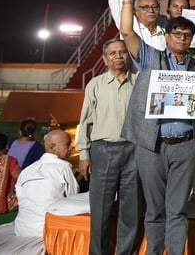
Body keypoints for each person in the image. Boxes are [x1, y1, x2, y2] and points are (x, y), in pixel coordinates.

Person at [118, 0, 195, 255]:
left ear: (191, 39)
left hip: (185, 146)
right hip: (152, 145)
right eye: (177, 34)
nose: (182, 39)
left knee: (177, 209)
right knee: (154, 209)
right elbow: (126, 30)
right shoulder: (150, 56)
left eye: (187, 35)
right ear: (167, 36)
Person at [76, 38, 140, 255]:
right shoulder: (95, 84)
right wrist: (84, 154)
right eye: (112, 53)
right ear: (105, 59)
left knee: (130, 209)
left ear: (128, 56)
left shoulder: (139, 82)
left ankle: (126, 252)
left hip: (133, 150)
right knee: (101, 209)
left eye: (122, 52)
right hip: (102, 150)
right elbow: (84, 122)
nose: (118, 57)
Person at [14, 129, 79, 237]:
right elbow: (73, 198)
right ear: (52, 147)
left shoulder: (27, 170)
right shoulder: (63, 167)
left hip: (22, 228)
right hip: (49, 230)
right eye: (67, 145)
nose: (70, 148)